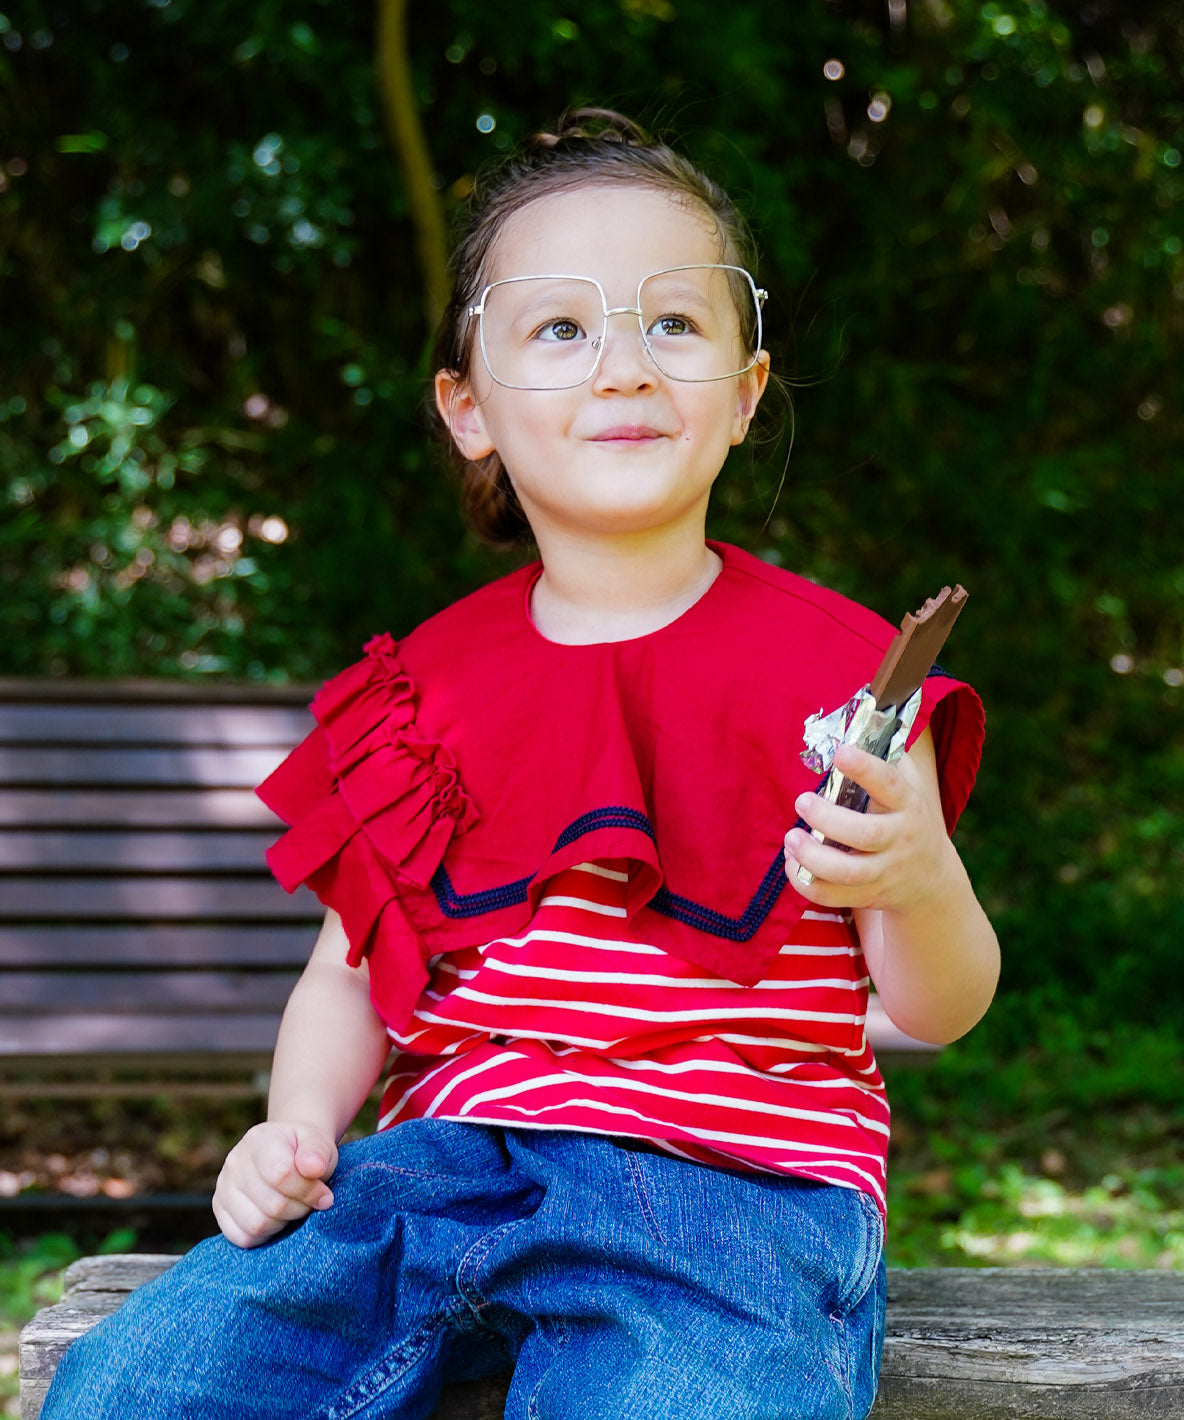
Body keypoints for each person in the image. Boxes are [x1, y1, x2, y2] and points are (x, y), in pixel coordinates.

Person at [42, 108, 998, 1420]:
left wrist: (915, 875)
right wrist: (297, 1127)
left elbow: (938, 1004)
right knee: (142, 1385)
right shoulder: (418, 693)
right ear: (469, 408)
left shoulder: (842, 679)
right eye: (560, 328)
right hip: (434, 1178)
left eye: (674, 322)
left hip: (730, 1197)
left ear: (746, 392)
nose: (622, 366)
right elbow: (350, 973)